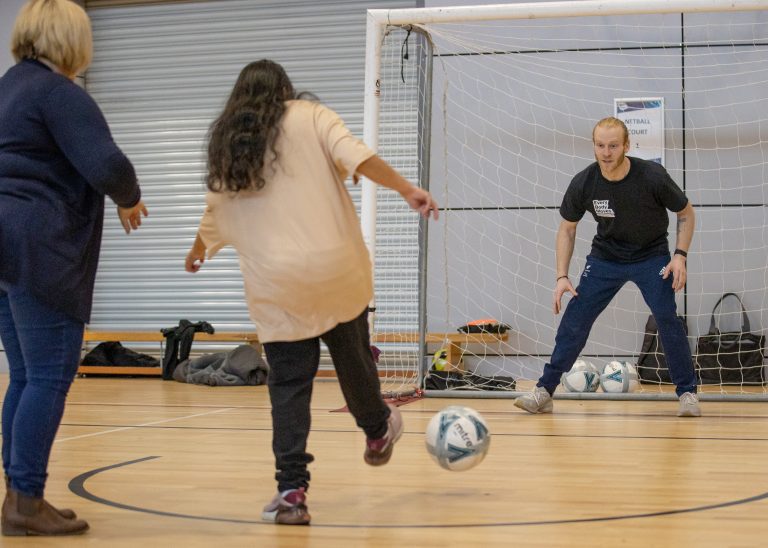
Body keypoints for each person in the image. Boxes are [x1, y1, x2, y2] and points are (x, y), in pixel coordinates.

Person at [185, 59, 438, 526]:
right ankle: (378, 430)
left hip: (276, 285)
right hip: (336, 269)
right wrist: (406, 189)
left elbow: (214, 210)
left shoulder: (229, 146)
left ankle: (291, 490)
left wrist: (198, 251)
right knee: (354, 360)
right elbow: (356, 155)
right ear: (285, 89)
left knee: (289, 386)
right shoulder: (310, 115)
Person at [0, 0, 147, 536]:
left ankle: (18, 494)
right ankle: (26, 499)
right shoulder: (59, 93)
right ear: (72, 41)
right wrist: (129, 198)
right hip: (41, 246)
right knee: (47, 376)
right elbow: (106, 162)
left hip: (6, 246)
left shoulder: (8, 87)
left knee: (24, 374)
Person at [514, 117, 700, 418]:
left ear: (626, 146)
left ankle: (688, 393)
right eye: (600, 145)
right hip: (605, 259)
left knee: (667, 317)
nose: (606, 152)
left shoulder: (652, 176)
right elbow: (567, 230)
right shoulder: (585, 182)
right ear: (594, 146)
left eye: (613, 146)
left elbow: (686, 214)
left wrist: (680, 255)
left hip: (651, 256)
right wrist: (562, 276)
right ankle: (544, 391)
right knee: (575, 319)